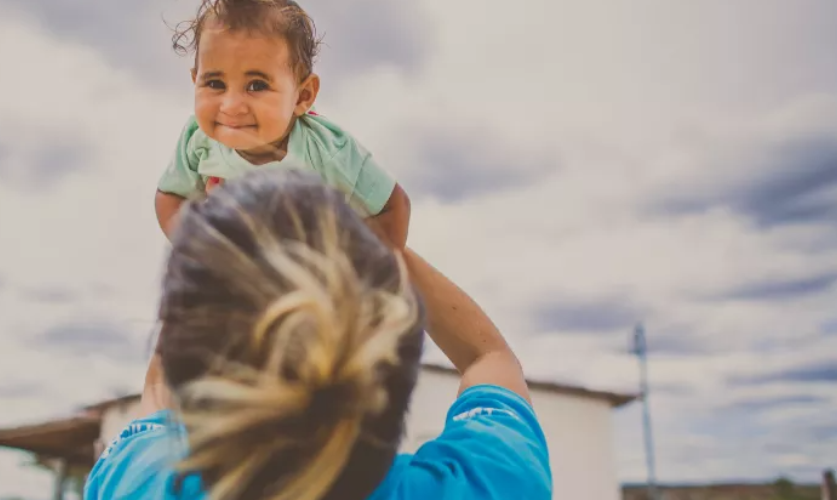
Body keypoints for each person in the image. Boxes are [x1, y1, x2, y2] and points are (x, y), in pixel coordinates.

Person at [86, 169, 551, 500]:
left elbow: (157, 393)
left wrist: (218, 258)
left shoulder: (138, 480)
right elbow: (488, 358)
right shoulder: (484, 485)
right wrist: (385, 247)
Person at [154, 0, 411, 250]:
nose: (231, 106)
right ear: (194, 79)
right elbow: (170, 197)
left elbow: (393, 206)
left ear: (302, 96)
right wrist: (198, 248)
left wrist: (356, 275)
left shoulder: (327, 151)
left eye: (257, 85)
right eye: (215, 84)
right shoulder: (198, 140)